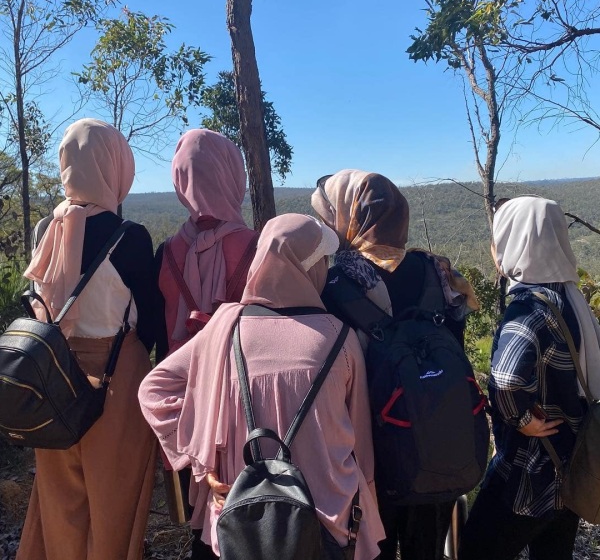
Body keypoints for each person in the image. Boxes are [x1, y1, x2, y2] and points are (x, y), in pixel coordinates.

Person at [139, 213, 386, 559]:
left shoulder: (224, 329)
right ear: (307, 267)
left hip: (243, 516)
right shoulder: (340, 338)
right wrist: (368, 502)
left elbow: (153, 391)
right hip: (327, 518)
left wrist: (201, 460)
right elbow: (360, 444)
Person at [311, 169, 479, 560]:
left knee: (377, 548)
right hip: (435, 443)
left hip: (373, 451)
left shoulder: (335, 285)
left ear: (348, 221)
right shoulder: (437, 273)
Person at [17, 118, 158, 560]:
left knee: (59, 497)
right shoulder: (130, 237)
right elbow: (151, 320)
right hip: (115, 379)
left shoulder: (46, 231)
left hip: (51, 373)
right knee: (114, 499)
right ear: (114, 165)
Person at [459, 195, 600, 560]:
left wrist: (521, 419)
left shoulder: (530, 307)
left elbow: (505, 379)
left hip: (530, 470)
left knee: (476, 549)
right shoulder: (572, 299)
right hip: (572, 467)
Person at [154, 128, 257, 559]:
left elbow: (159, 334)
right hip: (237, 398)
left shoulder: (166, 251)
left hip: (181, 394)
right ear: (234, 174)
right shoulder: (257, 246)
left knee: (199, 515)